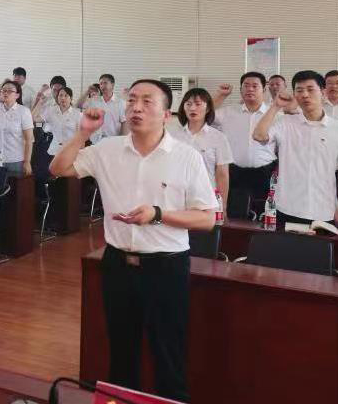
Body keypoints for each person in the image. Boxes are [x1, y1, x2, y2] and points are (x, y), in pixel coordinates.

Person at [50, 79, 216, 402]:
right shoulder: (108, 149)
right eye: (132, 100)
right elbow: (59, 168)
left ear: (166, 114)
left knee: (168, 355)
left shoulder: (186, 157)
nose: (136, 107)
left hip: (166, 267)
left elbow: (207, 218)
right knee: (121, 353)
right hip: (118, 264)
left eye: (147, 101)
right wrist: (83, 133)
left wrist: (158, 214)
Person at [253, 71, 338, 232]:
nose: (305, 95)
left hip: (323, 209)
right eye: (299, 90)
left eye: (310, 89)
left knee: (319, 248)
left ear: (323, 92)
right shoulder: (285, 123)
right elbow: (259, 135)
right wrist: (276, 106)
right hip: (286, 207)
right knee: (282, 247)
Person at [210, 72, 277, 219]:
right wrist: (221, 95)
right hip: (235, 172)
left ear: (264, 90)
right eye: (246, 86)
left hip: (265, 173)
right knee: (235, 215)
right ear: (241, 90)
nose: (250, 89)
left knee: (264, 216)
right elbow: (205, 116)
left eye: (255, 86)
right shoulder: (228, 112)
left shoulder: (274, 114)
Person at [168, 88, 233, 206]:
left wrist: (223, 206)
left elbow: (222, 175)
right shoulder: (172, 135)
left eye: (198, 104)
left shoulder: (218, 137)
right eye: (188, 104)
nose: (192, 108)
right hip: (176, 197)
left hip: (206, 198)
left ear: (207, 108)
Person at [34, 86, 81, 157]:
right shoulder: (51, 111)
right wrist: (40, 102)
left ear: (71, 98)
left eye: (66, 95)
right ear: (57, 98)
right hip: (54, 151)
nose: (63, 98)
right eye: (60, 95)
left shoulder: (77, 113)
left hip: (70, 151)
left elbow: (80, 137)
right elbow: (34, 118)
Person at [79, 74, 126, 141]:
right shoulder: (94, 101)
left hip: (113, 141)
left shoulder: (120, 103)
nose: (102, 86)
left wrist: (121, 141)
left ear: (112, 85)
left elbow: (124, 123)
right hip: (96, 141)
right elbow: (79, 105)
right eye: (101, 84)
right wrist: (87, 92)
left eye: (105, 83)